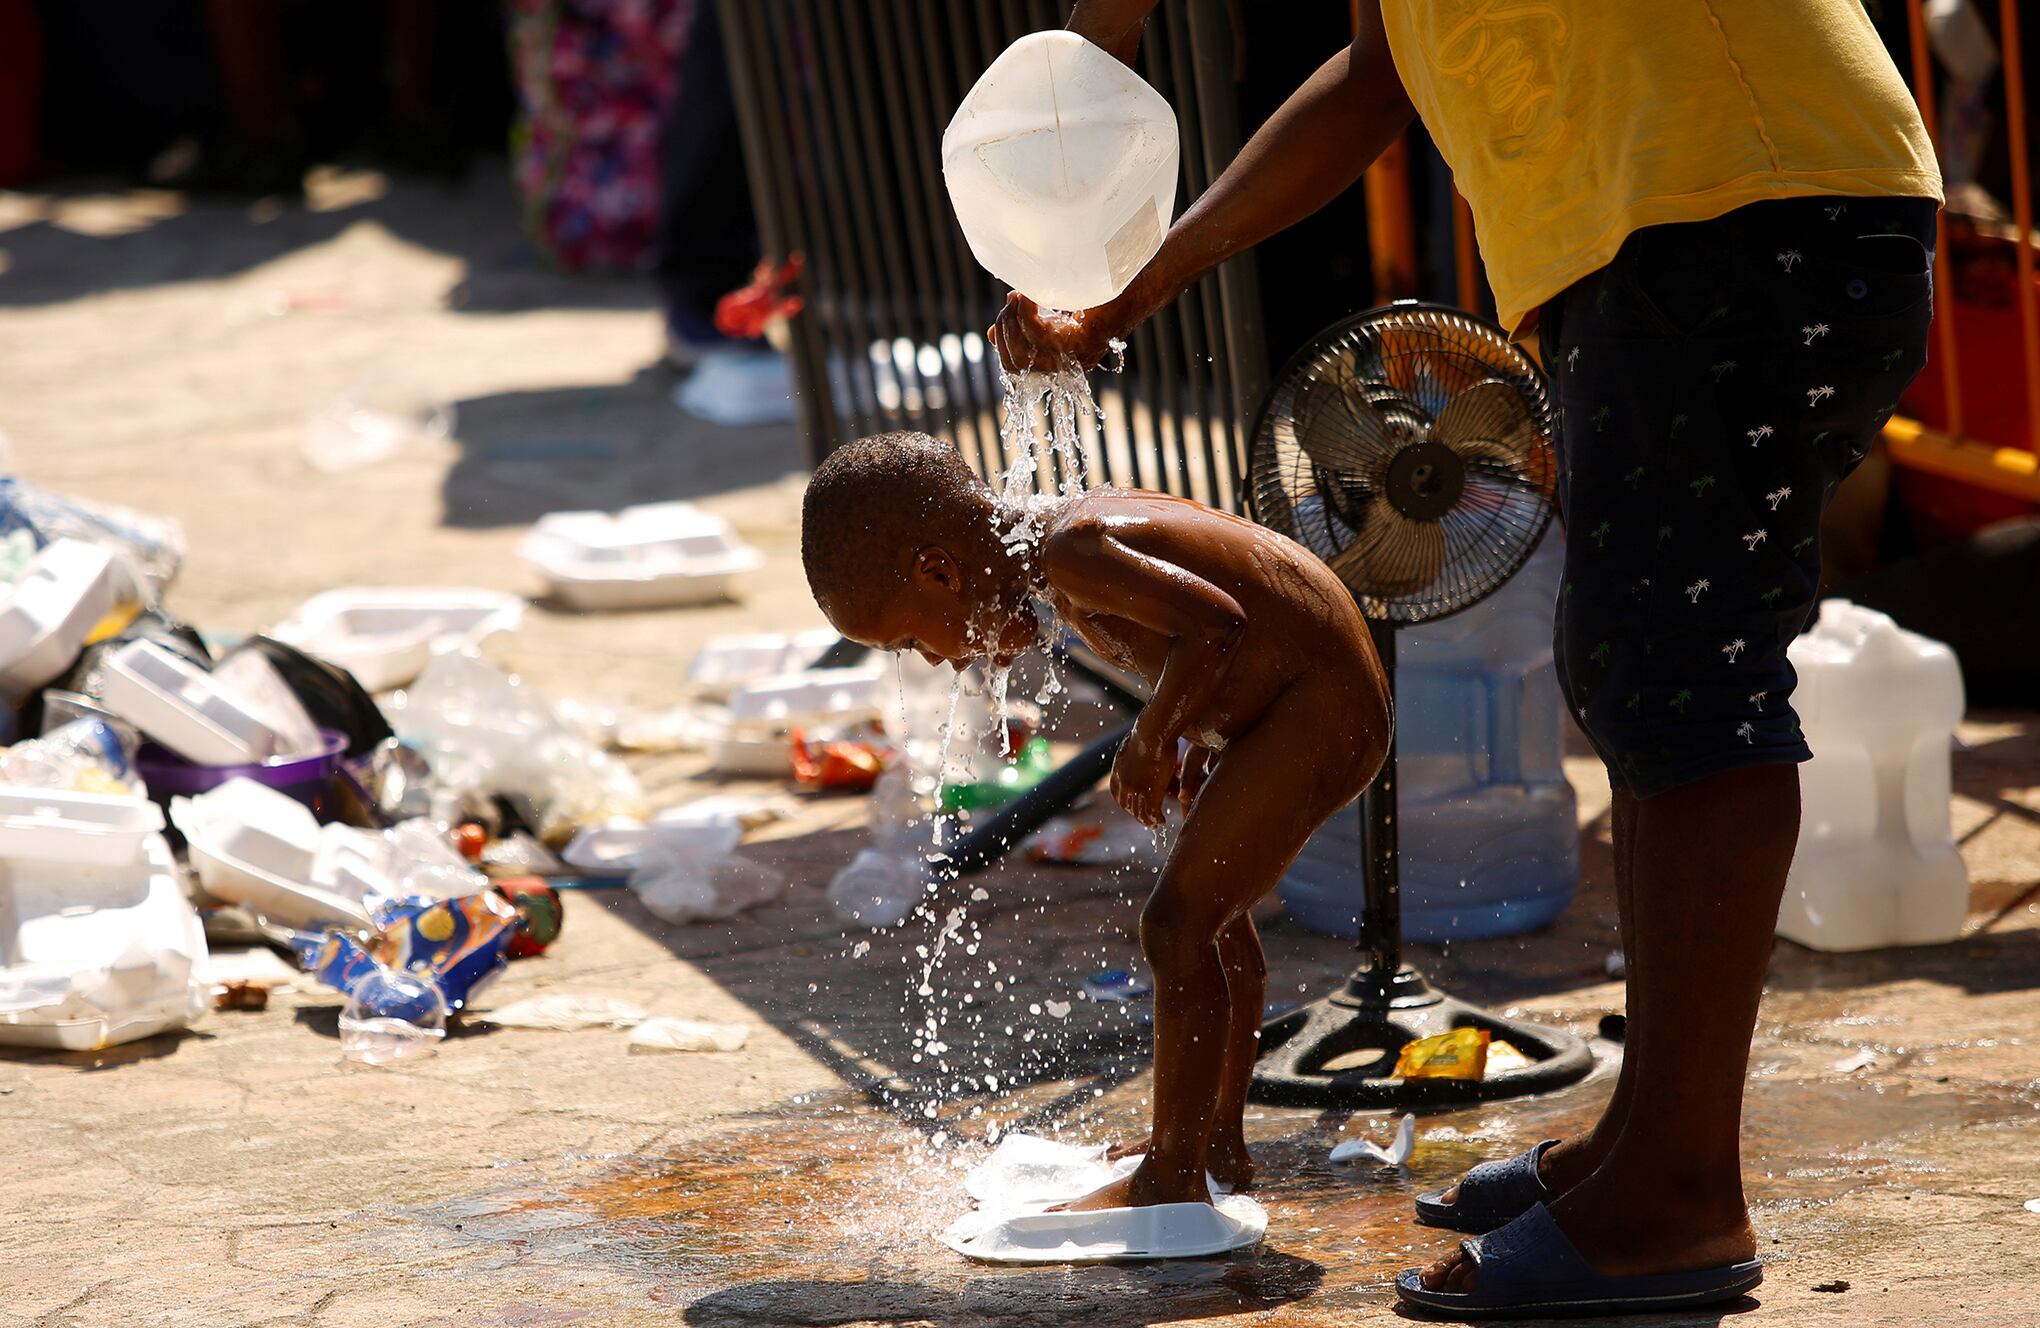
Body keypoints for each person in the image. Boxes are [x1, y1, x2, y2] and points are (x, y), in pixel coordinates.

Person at [989, 0, 1941, 1317]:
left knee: (1684, 682)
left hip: (1739, 206)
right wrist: (1135, 287)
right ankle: (1644, 1148)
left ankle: (1676, 1199)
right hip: (1681, 221)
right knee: (1634, 676)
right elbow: (1378, 76)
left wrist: (1102, 45)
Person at [800, 431, 1390, 1208]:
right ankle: (1213, 1141)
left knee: (1177, 927)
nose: (941, 662)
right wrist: (1199, 737)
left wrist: (1154, 738)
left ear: (938, 570)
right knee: (1219, 927)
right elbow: (1229, 635)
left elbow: (1218, 626)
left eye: (914, 638)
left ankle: (1173, 1178)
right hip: (1279, 709)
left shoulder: (1078, 548)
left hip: (1316, 711)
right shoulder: (1060, 550)